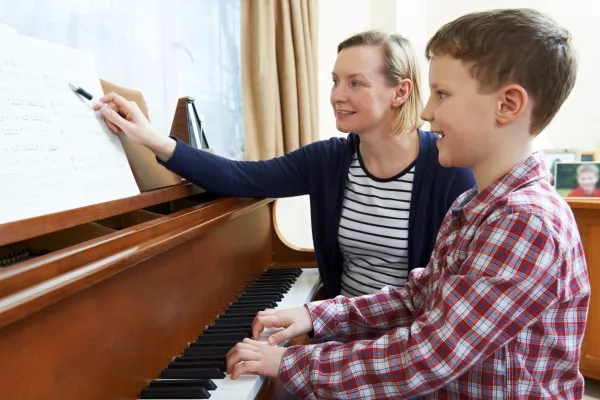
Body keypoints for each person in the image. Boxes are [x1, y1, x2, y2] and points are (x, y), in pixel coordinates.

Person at [224, 8, 590, 399]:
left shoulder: (525, 220)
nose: (427, 110)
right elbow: (419, 298)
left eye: (443, 94)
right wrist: (315, 314)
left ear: (508, 105)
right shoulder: (474, 204)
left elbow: (431, 355)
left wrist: (289, 363)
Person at [96, 30, 475, 299]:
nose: (336, 95)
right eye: (335, 81)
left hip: (406, 346)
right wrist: (149, 138)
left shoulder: (448, 168)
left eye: (355, 83)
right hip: (340, 329)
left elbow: (449, 295)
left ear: (401, 92)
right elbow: (243, 177)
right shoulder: (327, 160)